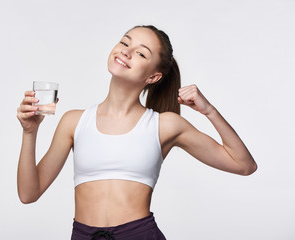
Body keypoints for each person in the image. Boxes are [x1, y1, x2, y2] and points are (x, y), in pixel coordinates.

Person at [16, 25, 257, 240]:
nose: (126, 51)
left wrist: (210, 111)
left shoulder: (165, 125)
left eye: (141, 53)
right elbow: (29, 194)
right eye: (124, 42)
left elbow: (243, 165)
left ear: (153, 76)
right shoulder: (74, 121)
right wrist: (30, 132)